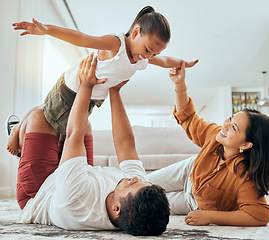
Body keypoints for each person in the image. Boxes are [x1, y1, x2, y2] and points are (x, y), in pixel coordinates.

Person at [9, 5, 198, 156]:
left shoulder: (142, 58)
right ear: (135, 33)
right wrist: (47, 30)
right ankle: (17, 129)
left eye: (154, 53)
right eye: (148, 50)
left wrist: (183, 63)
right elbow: (83, 39)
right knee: (48, 117)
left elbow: (164, 60)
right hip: (72, 89)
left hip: (91, 98)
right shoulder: (116, 44)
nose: (149, 56)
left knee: (62, 126)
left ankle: (20, 127)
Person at [16, 54, 170, 236]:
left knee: (40, 117)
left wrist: (86, 85)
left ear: (116, 209)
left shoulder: (76, 203)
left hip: (40, 191)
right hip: (82, 174)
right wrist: (115, 92)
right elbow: (126, 144)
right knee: (83, 124)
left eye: (131, 184)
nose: (134, 178)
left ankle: (18, 130)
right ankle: (30, 133)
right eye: (140, 180)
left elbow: (75, 135)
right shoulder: (139, 191)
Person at [148, 61, 269, 226]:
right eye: (230, 119)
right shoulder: (215, 135)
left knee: (149, 203)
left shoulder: (245, 177)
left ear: (246, 145)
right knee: (143, 185)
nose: (225, 125)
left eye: (233, 127)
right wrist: (180, 84)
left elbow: (258, 217)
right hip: (190, 171)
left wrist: (209, 216)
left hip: (195, 203)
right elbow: (188, 117)